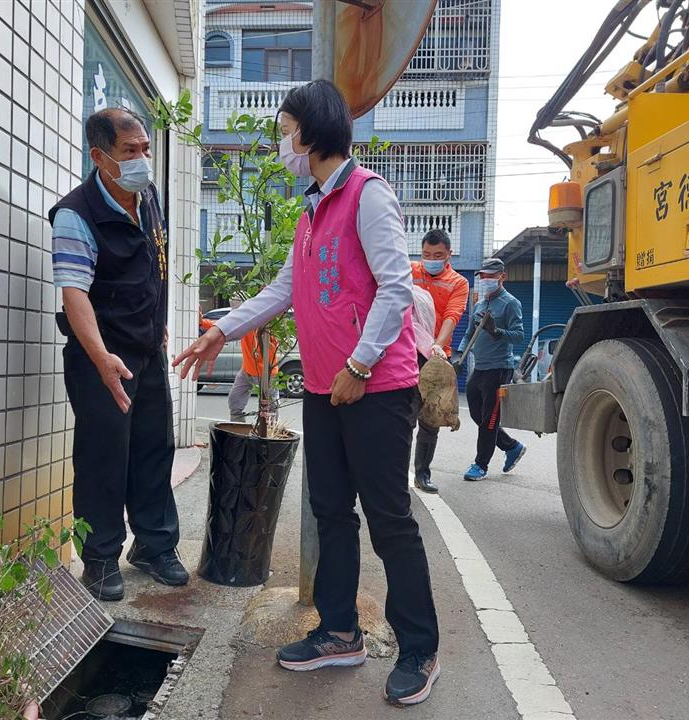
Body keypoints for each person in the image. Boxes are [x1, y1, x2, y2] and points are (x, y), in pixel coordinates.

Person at [174, 80, 440, 707]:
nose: (282, 142)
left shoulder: (367, 195)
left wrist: (360, 363)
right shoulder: (309, 212)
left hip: (374, 386)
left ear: (312, 131)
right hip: (325, 387)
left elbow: (394, 288)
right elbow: (281, 293)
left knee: (388, 518)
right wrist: (221, 330)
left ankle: (420, 648)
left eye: (286, 128)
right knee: (330, 512)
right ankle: (339, 631)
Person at [49, 107, 188, 602]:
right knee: (104, 458)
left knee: (154, 449)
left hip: (146, 350)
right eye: (130, 152)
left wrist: (159, 324)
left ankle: (154, 545)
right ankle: (100, 558)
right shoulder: (76, 214)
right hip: (99, 358)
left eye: (146, 149)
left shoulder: (148, 197)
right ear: (100, 156)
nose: (143, 160)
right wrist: (103, 357)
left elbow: (155, 266)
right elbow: (75, 293)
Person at [410, 229, 470, 493]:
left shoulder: (458, 283)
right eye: (426, 254)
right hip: (407, 353)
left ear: (449, 255)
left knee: (431, 418)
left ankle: (422, 474)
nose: (430, 259)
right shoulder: (411, 271)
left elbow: (452, 315)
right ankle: (395, 476)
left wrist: (437, 344)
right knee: (403, 416)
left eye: (437, 255)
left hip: (435, 358)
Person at [457, 257, 527, 481]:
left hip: (499, 369)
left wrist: (497, 332)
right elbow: (469, 333)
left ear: (502, 277)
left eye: (490, 276)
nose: (485, 280)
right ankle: (512, 446)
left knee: (489, 419)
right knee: (478, 414)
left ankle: (481, 465)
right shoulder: (479, 304)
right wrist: (459, 356)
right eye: (483, 276)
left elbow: (519, 335)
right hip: (480, 367)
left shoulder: (510, 303)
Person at [229, 330, 279, 422]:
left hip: (267, 373)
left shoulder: (270, 327)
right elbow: (226, 326)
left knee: (270, 407)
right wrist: (202, 323)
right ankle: (238, 427)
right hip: (246, 370)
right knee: (235, 400)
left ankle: (269, 431)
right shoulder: (247, 323)